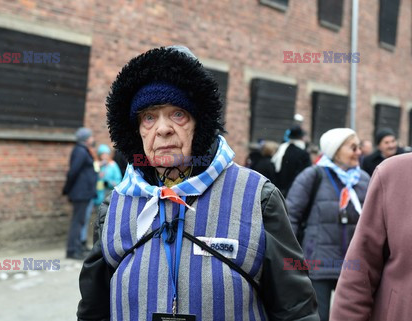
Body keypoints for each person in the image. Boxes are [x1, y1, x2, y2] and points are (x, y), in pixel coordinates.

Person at [77, 46, 319, 320]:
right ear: (136, 130)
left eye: (178, 114)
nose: (163, 128)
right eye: (148, 117)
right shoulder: (114, 207)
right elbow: (93, 311)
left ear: (200, 123)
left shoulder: (257, 197)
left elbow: (296, 310)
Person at [286, 128, 370, 321]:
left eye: (359, 147)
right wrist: (292, 256)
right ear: (336, 151)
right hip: (319, 264)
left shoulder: (364, 179)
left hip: (354, 265)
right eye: (353, 147)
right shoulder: (312, 176)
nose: (359, 152)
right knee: (318, 317)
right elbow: (290, 217)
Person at [330, 153, 412, 321]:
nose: (356, 152)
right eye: (351, 148)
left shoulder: (361, 177)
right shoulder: (392, 173)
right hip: (325, 249)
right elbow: (360, 268)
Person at [62, 127, 98, 260]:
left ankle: (78, 247)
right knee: (77, 222)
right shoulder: (80, 151)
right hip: (80, 193)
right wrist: (67, 189)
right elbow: (73, 172)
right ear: (86, 139)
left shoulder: (83, 151)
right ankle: (72, 250)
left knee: (80, 221)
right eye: (91, 137)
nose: (93, 139)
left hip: (84, 192)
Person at [272, 125, 312, 197]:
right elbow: (306, 175)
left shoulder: (283, 150)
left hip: (281, 190)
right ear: (302, 138)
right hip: (296, 191)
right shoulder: (303, 154)